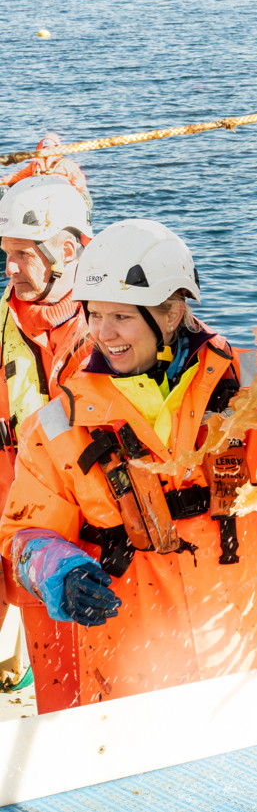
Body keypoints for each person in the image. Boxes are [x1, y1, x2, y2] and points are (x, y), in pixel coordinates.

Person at [0, 218, 257, 712]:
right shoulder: (57, 426)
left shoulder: (252, 387)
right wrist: (57, 570)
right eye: (94, 314)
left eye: (122, 317)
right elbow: (23, 535)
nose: (103, 334)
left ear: (171, 314)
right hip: (137, 676)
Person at [0, 175, 94, 698]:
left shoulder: (115, 325)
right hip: (27, 538)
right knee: (61, 692)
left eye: (22, 253)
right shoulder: (3, 327)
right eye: (5, 252)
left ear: (66, 248)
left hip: (96, 537)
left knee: (88, 694)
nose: (10, 267)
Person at [0, 133, 87, 193]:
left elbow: (79, 179)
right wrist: (2, 181)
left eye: (50, 147)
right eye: (45, 147)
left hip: (60, 195)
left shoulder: (67, 164)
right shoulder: (35, 165)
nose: (48, 150)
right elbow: (18, 176)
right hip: (39, 195)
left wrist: (71, 190)